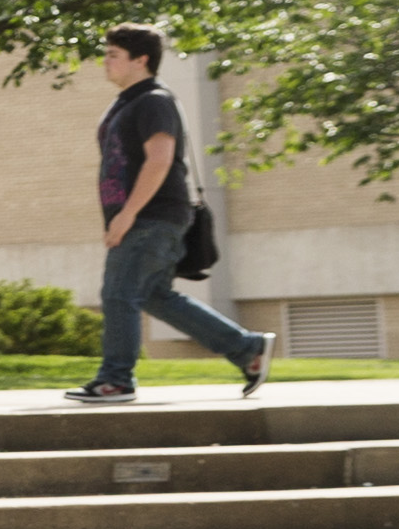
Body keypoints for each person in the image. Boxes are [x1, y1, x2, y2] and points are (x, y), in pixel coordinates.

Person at [76, 26, 271, 403]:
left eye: (114, 54)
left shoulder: (153, 101)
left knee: (119, 294)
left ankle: (115, 380)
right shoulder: (127, 103)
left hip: (151, 215)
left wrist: (127, 214)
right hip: (145, 216)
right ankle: (248, 350)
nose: (106, 61)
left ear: (141, 59)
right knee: (153, 296)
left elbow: (161, 159)